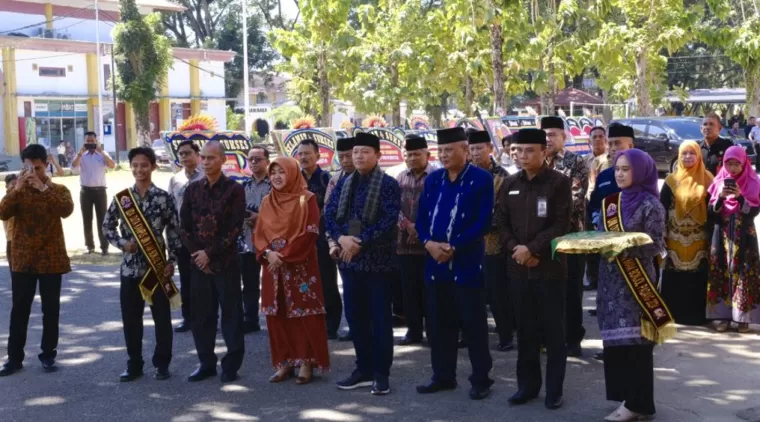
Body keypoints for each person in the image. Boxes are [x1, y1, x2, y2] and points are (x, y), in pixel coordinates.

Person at [413, 127, 494, 400]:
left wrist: (454, 246)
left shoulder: (482, 179)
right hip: (435, 263)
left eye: (450, 150)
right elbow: (421, 217)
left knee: (473, 325)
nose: (445, 155)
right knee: (438, 325)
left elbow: (483, 222)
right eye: (442, 151)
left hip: (466, 264)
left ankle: (481, 378)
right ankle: (443, 376)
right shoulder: (434, 180)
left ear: (465, 150)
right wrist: (428, 243)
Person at [495, 128, 572, 410]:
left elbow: (561, 224)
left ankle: (554, 390)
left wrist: (533, 249)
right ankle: (527, 386)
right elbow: (500, 221)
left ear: (544, 152)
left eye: (529, 150)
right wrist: (517, 249)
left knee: (553, 333)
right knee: (525, 331)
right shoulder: (510, 183)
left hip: (548, 269)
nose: (523, 156)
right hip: (518, 268)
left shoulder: (558, 183)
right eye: (518, 150)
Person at [597, 149, 671, 422]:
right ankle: (629, 400)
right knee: (617, 342)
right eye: (618, 168)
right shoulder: (611, 203)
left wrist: (622, 247)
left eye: (626, 169)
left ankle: (638, 403)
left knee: (636, 344)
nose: (620, 173)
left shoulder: (651, 205)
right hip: (610, 283)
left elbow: (656, 244)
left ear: (640, 172)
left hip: (635, 282)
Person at [325, 132, 400, 396]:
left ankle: (381, 373)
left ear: (378, 156)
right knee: (356, 319)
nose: (358, 156)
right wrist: (341, 238)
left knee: (380, 320)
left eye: (365, 152)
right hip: (349, 264)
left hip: (378, 264)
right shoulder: (344, 183)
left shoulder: (388, 184)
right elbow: (329, 215)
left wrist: (359, 241)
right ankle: (363, 369)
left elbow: (389, 220)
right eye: (355, 152)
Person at [102, 147, 182, 382]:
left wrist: (172, 260)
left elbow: (175, 231)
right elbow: (107, 227)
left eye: (144, 165)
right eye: (135, 165)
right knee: (131, 319)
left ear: (153, 166)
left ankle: (162, 364)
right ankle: (134, 364)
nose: (139, 169)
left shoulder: (163, 198)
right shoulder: (122, 198)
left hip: (157, 268)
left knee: (162, 319)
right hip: (129, 269)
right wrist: (122, 243)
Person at [254, 156, 330, 384]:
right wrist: (268, 253)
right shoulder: (268, 201)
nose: (277, 177)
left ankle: (306, 362)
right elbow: (259, 233)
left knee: (302, 314)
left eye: (282, 172)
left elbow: (310, 233)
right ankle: (284, 362)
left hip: (300, 267)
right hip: (272, 268)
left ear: (293, 173)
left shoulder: (307, 199)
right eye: (273, 172)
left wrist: (284, 256)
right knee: (277, 315)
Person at [0, 144, 74, 376]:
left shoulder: (58, 189)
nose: (32, 172)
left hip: (51, 259)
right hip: (23, 260)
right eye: (28, 167)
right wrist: (16, 189)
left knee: (50, 309)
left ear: (46, 165)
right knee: (19, 310)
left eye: (38, 167)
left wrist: (43, 187)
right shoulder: (18, 192)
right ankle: (14, 358)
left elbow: (66, 210)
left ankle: (48, 354)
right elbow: (2, 213)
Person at [180, 141, 247, 383]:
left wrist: (210, 253)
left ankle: (231, 365)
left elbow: (235, 228)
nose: (206, 163)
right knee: (202, 316)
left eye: (211, 158)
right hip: (198, 264)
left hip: (225, 262)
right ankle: (206, 362)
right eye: (204, 158)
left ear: (222, 160)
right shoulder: (193, 190)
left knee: (231, 315)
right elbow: (184, 227)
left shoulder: (234, 189)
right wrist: (199, 255)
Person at [541, 116, 588, 358]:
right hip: (541, 240)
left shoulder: (575, 162)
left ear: (564, 137)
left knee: (571, 291)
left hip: (571, 237)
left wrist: (544, 219)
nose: (548, 139)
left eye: (553, 135)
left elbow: (575, 199)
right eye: (545, 135)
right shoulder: (537, 163)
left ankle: (573, 338)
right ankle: (550, 337)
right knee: (547, 290)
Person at [468, 130, 514, 352]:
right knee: (469, 292)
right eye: (472, 149)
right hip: (467, 244)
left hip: (494, 243)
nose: (476, 153)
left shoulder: (502, 177)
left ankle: (505, 335)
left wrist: (479, 224)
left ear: (490, 149)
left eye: (480, 148)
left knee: (497, 293)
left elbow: (504, 211)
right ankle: (469, 334)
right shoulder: (464, 175)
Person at [706, 146, 760, 333]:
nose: (733, 168)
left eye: (737, 164)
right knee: (721, 272)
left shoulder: (753, 183)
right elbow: (711, 211)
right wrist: (720, 198)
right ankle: (722, 317)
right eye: (729, 164)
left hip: (745, 236)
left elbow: (754, 211)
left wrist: (740, 198)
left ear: (745, 163)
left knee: (745, 274)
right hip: (721, 236)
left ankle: (743, 318)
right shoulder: (718, 181)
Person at [660, 141, 713, 326]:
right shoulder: (671, 181)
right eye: (684, 153)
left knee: (697, 274)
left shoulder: (708, 179)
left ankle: (696, 315)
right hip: (675, 237)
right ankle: (673, 313)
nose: (688, 157)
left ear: (699, 156)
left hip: (700, 239)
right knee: (676, 274)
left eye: (692, 153)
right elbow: (662, 208)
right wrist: (663, 234)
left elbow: (713, 210)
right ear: (679, 156)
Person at [297, 139, 342, 339]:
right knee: (304, 283)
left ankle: (330, 325)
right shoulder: (293, 179)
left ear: (318, 156)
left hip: (322, 240)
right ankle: (308, 322)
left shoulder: (326, 179)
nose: (304, 157)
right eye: (301, 154)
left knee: (327, 282)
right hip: (299, 241)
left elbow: (332, 209)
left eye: (308, 153)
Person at [395, 135, 434, 346]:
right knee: (409, 291)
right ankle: (413, 331)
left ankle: (433, 331)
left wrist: (420, 229)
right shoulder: (400, 178)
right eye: (409, 154)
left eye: (417, 154)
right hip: (404, 245)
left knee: (430, 291)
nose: (412, 158)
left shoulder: (437, 176)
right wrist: (407, 226)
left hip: (429, 245)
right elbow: (394, 207)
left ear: (427, 155)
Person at [167, 140, 204, 333]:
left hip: (204, 237)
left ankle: (207, 318)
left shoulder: (206, 176)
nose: (184, 157)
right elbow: (171, 208)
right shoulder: (175, 179)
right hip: (183, 237)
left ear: (197, 154)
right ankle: (188, 317)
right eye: (181, 154)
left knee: (206, 279)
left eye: (188, 153)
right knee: (187, 279)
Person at [325, 137, 356, 342]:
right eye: (342, 156)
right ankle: (353, 327)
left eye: (349, 155)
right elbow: (327, 212)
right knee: (349, 291)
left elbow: (358, 215)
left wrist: (352, 242)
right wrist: (334, 242)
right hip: (339, 241)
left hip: (360, 244)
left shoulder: (368, 178)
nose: (345, 160)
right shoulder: (335, 180)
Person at [238, 146, 271, 334]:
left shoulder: (275, 184)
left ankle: (275, 317)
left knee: (272, 281)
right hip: (248, 242)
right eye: (250, 159)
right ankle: (250, 320)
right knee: (249, 283)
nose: (253, 163)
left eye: (258, 159)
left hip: (270, 242)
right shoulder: (243, 186)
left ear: (267, 161)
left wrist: (259, 218)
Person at [72, 131, 116, 255]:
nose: (90, 143)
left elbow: (112, 165)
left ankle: (104, 247)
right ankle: (90, 246)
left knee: (102, 220)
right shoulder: (82, 155)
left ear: (96, 141)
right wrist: (80, 153)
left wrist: (101, 152)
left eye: (92, 141)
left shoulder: (102, 154)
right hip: (85, 191)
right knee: (87, 219)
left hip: (100, 191)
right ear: (84, 142)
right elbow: (74, 167)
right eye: (88, 141)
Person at [3, 174, 18, 269]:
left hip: (25, 240)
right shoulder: (6, 201)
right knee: (15, 272)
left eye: (17, 184)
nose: (16, 186)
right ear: (7, 186)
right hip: (12, 239)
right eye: (13, 184)